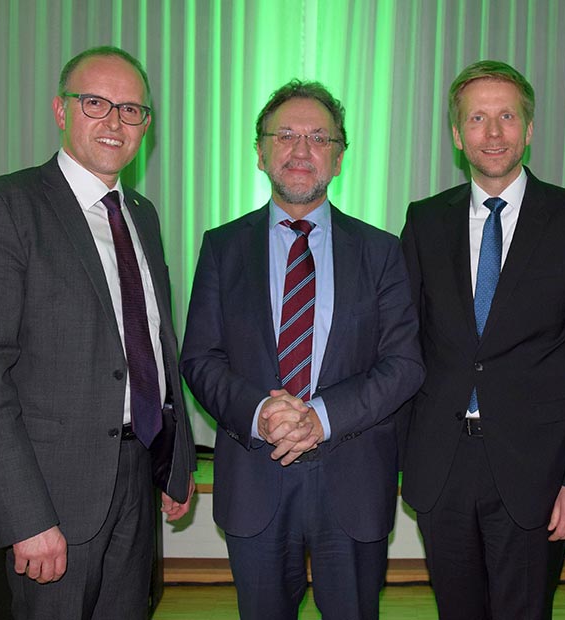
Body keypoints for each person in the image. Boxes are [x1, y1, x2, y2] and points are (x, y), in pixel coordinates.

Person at [0, 46, 196, 619]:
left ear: (146, 125)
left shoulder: (142, 213)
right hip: (52, 495)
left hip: (135, 477)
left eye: (131, 109)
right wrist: (28, 517)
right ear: (61, 111)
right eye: (95, 103)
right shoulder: (3, 206)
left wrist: (174, 460)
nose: (114, 121)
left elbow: (155, 344)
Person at [180, 79, 424, 620]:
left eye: (319, 138)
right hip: (254, 478)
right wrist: (261, 411)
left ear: (338, 158)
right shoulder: (222, 247)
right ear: (261, 152)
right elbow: (199, 358)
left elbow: (404, 364)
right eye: (285, 134)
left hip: (353, 481)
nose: (300, 149)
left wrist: (320, 417)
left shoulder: (381, 251)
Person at [399, 60, 565, 619]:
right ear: (457, 134)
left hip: (537, 471)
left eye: (506, 116)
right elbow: (403, 346)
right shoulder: (424, 222)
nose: (493, 133)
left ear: (529, 128)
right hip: (442, 463)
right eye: (477, 118)